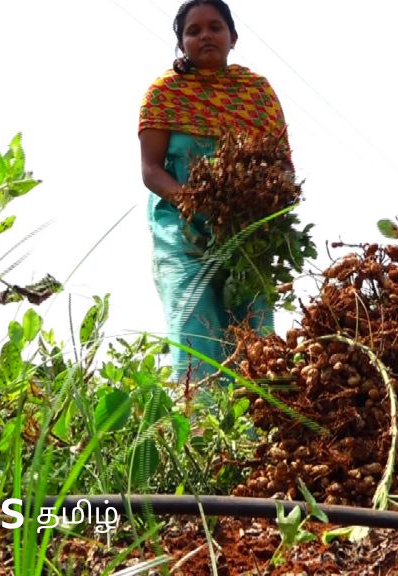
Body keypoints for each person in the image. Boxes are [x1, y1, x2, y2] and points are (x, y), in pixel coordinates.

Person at [138, 0, 291, 383]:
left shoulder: (257, 94)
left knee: (252, 325)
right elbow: (151, 170)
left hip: (246, 231)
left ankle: (254, 431)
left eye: (214, 27)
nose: (205, 35)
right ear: (181, 43)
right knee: (195, 321)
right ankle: (199, 429)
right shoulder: (164, 94)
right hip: (182, 226)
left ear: (233, 38)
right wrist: (193, 201)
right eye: (193, 31)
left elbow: (283, 167)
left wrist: (266, 204)